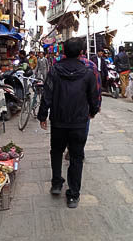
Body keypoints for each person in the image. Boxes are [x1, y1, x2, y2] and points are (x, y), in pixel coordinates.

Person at [38, 38, 100, 208]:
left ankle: (57, 183)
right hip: (79, 122)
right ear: (82, 53)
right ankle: (73, 195)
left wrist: (42, 115)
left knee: (56, 152)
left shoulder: (55, 70)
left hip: (58, 121)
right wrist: (93, 111)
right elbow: (94, 96)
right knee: (76, 157)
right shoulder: (88, 72)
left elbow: (47, 94)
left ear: (63, 52)